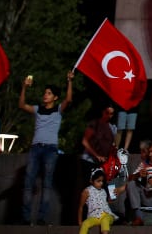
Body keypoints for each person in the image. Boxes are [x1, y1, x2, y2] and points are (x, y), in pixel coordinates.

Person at [19, 71, 74, 226]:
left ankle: (42, 217)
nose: (45, 95)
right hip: (36, 148)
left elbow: (68, 99)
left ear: (55, 97)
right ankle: (26, 217)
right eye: (45, 93)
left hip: (50, 149)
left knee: (47, 183)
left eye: (49, 94)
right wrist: (24, 87)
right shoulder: (37, 109)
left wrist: (69, 81)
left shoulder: (57, 110)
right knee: (28, 183)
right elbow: (22, 105)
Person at [78, 168, 116, 234]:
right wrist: (80, 222)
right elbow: (81, 207)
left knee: (105, 221)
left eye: (102, 181)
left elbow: (104, 204)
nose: (101, 183)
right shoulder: (86, 191)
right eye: (98, 181)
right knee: (85, 224)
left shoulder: (103, 191)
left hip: (107, 215)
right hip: (94, 216)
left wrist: (112, 199)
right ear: (91, 181)